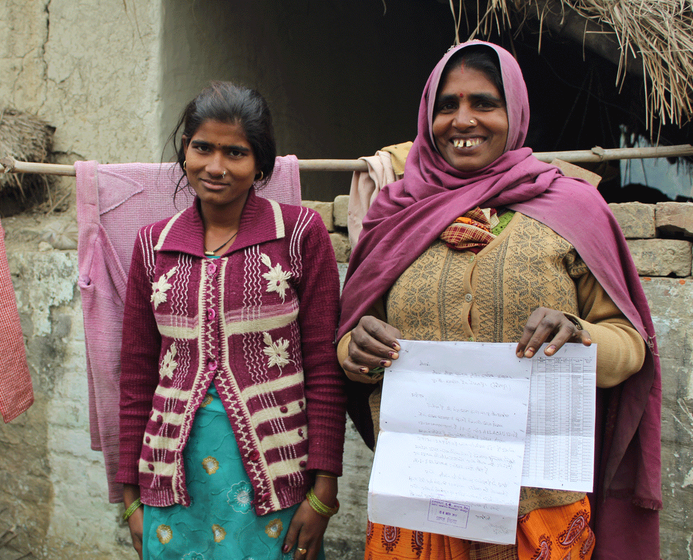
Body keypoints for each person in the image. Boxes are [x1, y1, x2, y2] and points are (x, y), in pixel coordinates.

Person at [337, 41, 661, 560]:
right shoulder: (395, 212)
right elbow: (353, 338)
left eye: (484, 103)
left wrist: (579, 334)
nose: (463, 120)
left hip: (537, 507)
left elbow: (631, 345)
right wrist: (355, 351)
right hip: (418, 504)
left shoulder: (574, 207)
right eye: (448, 105)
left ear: (515, 113)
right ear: (428, 115)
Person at [116, 81, 346, 560]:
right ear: (185, 150)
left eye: (235, 153)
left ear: (261, 163)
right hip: (171, 475)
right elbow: (137, 373)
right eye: (202, 148)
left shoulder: (300, 235)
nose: (215, 167)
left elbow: (324, 369)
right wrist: (130, 495)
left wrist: (324, 492)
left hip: (276, 477)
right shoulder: (152, 245)